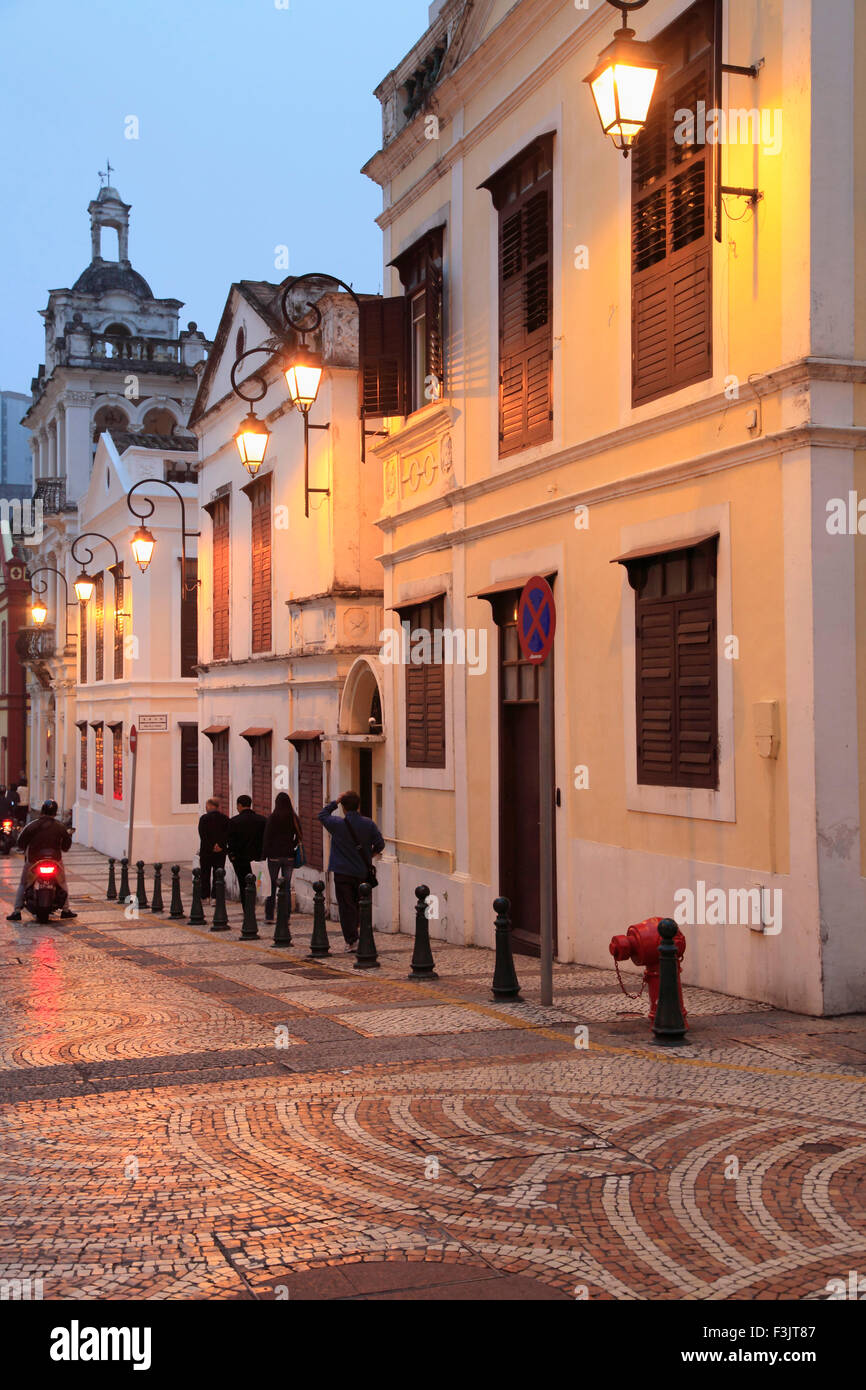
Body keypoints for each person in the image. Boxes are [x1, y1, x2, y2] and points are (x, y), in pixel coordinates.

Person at [318, 790, 385, 951]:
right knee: (360, 904)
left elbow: (322, 815)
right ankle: (362, 934)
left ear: (344, 808)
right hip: (361, 872)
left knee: (346, 906)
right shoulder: (368, 824)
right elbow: (380, 844)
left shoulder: (337, 824)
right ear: (358, 805)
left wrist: (335, 801)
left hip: (342, 872)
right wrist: (370, 854)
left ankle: (352, 940)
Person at [6, 800, 76, 921]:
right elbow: (66, 847)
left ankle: (17, 911)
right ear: (55, 812)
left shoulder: (32, 825)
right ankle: (66, 909)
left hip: (34, 860)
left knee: (23, 883)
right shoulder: (60, 827)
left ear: (42, 810)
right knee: (62, 882)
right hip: (55, 860)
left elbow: (21, 843)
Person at [262, 791, 303, 923]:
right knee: (286, 887)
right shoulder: (293, 817)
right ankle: (285, 916)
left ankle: (269, 916)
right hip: (289, 855)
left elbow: (267, 837)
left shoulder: (273, 817)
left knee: (272, 886)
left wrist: (264, 854)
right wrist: (292, 844)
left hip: (274, 856)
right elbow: (299, 836)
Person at [227, 795, 266, 901]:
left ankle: (247, 909)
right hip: (258, 858)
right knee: (257, 883)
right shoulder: (262, 820)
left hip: (240, 859)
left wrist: (232, 856)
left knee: (243, 884)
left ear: (239, 805)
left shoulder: (234, 821)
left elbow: (230, 842)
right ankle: (254, 904)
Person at [197, 797, 231, 900]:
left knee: (205, 874)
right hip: (220, 852)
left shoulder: (204, 819)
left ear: (211, 806)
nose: (206, 808)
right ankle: (215, 897)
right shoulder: (225, 819)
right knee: (218, 874)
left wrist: (211, 846)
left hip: (206, 851)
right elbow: (228, 834)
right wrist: (219, 846)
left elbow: (203, 834)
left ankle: (205, 896)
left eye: (207, 805)